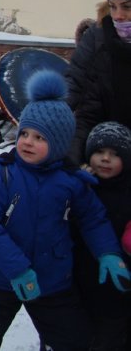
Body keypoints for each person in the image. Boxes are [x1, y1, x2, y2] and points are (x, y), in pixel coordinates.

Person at [0, 70, 130, 351]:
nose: (28, 142)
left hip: (51, 275)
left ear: (57, 144)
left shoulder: (71, 182)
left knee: (73, 339)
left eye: (40, 137)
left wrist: (108, 253)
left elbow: (93, 219)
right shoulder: (1, 174)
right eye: (25, 134)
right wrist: (18, 268)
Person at [73, 121, 131, 350]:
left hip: (116, 289)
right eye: (99, 151)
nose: (105, 158)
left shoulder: (127, 192)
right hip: (79, 282)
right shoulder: (79, 186)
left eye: (114, 154)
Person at [65, 0, 131, 163]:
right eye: (112, 6)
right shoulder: (97, 38)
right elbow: (72, 86)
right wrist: (41, 125)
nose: (118, 15)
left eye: (127, 6)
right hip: (99, 149)